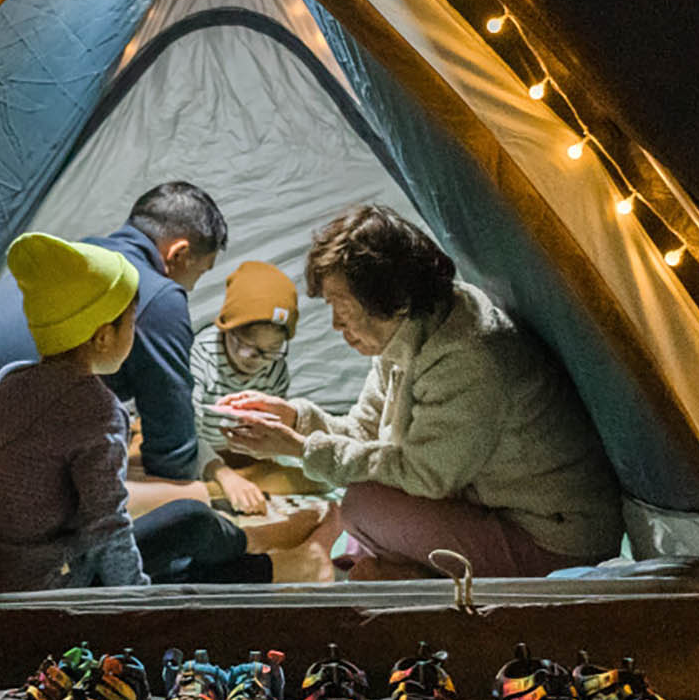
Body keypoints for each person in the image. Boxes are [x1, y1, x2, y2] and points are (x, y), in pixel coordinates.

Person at [221, 204, 623, 579]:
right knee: (360, 500)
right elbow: (365, 431)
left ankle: (396, 573)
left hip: (556, 539)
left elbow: (424, 475)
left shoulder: (469, 354)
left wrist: (299, 449)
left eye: (341, 308)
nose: (335, 325)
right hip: (485, 504)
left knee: (362, 505)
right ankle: (388, 568)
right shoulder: (409, 331)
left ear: (389, 298)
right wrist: (296, 419)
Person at [0, 182, 226, 497]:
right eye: (199, 273)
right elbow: (172, 447)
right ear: (178, 253)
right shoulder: (155, 295)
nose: (191, 288)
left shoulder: (67, 255)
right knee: (185, 495)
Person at [0, 233, 148, 591]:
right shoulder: (98, 411)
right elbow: (106, 526)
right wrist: (139, 600)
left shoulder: (9, 379)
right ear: (103, 336)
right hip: (45, 585)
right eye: (133, 322)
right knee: (193, 521)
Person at [190, 260, 299, 516]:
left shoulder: (275, 365)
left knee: (303, 479)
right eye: (248, 345)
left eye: (271, 350)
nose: (257, 359)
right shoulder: (202, 356)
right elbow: (185, 431)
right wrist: (222, 474)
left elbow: (273, 426)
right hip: (199, 451)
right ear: (227, 329)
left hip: (244, 453)